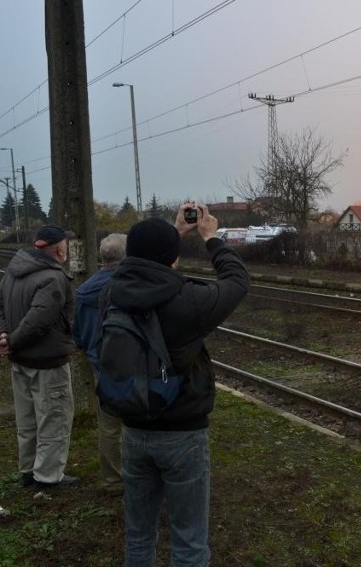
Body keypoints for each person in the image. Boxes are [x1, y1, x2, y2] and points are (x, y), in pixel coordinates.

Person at [106, 204, 249, 566]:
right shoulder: (188, 300)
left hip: (133, 429)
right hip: (182, 434)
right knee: (188, 542)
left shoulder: (111, 292)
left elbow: (139, 264)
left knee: (138, 535)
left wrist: (169, 236)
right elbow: (236, 281)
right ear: (174, 259)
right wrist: (211, 238)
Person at [0, 224, 78, 489]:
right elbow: (39, 321)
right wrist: (10, 341)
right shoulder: (53, 278)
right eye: (66, 244)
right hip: (48, 363)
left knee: (27, 420)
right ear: (59, 248)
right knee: (54, 419)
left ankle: (28, 470)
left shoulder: (14, 270)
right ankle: (48, 478)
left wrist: (4, 335)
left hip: (20, 361)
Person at [72, 233, 127, 490]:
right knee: (138, 420)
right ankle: (141, 475)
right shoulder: (127, 285)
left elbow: (78, 333)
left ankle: (112, 479)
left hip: (100, 364)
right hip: (131, 362)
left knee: (108, 424)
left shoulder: (83, 290)